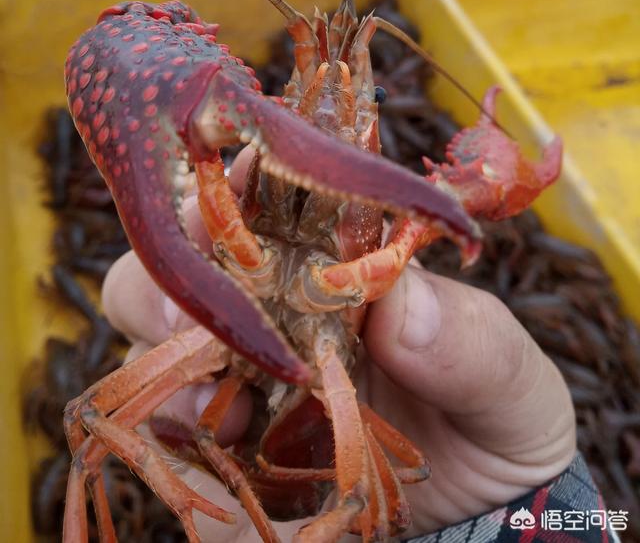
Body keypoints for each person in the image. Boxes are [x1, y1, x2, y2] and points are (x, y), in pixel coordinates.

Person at [102, 150, 611, 542]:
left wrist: (521, 505)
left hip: (333, 401)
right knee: (94, 419)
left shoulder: (383, 276)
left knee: (355, 498)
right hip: (248, 390)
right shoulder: (245, 197)